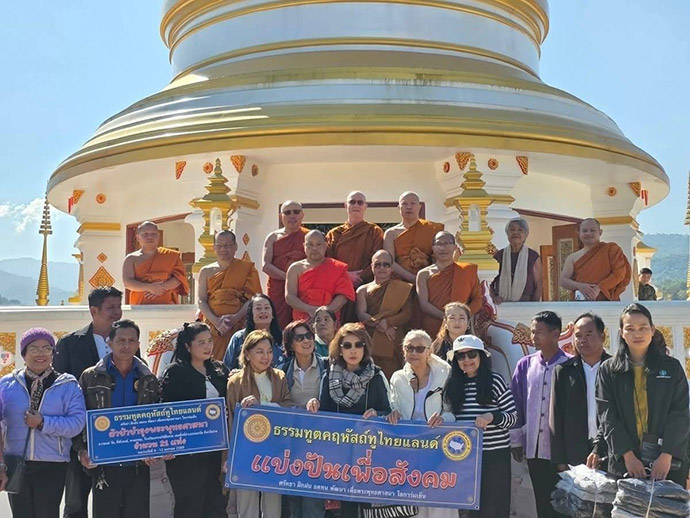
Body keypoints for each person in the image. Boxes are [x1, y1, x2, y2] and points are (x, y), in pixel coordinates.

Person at [76, 319, 162, 518]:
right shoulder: (91, 376)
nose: (126, 345)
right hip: (104, 464)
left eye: (131, 341)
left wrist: (156, 448)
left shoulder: (149, 379)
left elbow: (158, 418)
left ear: (138, 345)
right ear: (110, 343)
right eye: (121, 340)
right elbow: (78, 417)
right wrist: (82, 450)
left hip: (138, 464)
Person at [597, 303, 690, 485]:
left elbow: (680, 414)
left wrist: (667, 455)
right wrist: (628, 455)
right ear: (622, 333)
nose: (637, 334)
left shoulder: (671, 367)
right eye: (630, 329)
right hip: (625, 463)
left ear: (652, 330)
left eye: (643, 328)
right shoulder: (609, 370)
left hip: (667, 463)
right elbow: (607, 416)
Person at [0, 328, 86, 518]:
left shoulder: (67, 384)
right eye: (34, 349)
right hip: (16, 462)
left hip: (52, 464)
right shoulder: (6, 384)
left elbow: (77, 423)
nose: (41, 354)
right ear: (23, 354)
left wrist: (43, 423)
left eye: (47, 349)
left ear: (53, 353)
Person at [53, 286, 123, 518]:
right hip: (79, 433)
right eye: (110, 307)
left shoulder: (126, 339)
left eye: (119, 307)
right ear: (94, 310)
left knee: (114, 501)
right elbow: (59, 388)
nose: (116, 313)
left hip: (116, 433)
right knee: (76, 502)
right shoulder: (70, 343)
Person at [318, 323, 391, 518]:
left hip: (368, 453)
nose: (353, 350)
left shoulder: (376, 376)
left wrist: (377, 413)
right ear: (339, 349)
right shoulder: (328, 376)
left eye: (358, 345)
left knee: (368, 506)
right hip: (339, 453)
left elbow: (387, 411)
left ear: (365, 348)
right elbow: (323, 414)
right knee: (345, 509)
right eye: (347, 345)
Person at [159, 322, 229, 517]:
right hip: (186, 455)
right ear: (188, 346)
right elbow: (166, 411)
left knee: (216, 505)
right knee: (189, 506)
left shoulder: (220, 370)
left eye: (209, 341)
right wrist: (168, 443)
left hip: (215, 451)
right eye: (201, 343)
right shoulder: (175, 372)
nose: (208, 347)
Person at [385, 330, 456, 518]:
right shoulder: (397, 378)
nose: (414, 353)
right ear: (403, 350)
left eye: (419, 349)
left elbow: (453, 411)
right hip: (408, 448)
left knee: (439, 502)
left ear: (429, 351)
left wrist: (444, 419)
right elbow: (394, 406)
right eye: (409, 348)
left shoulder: (446, 374)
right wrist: (394, 413)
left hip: (438, 446)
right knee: (411, 503)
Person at [444, 335, 517, 518]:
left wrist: (492, 417)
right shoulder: (452, 385)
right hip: (465, 457)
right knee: (469, 509)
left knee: (494, 508)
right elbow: (449, 417)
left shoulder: (495, 381)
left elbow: (513, 418)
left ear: (481, 357)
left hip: (494, 456)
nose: (467, 360)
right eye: (461, 356)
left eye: (472, 354)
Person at [227, 330, 292, 517]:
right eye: (260, 352)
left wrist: (262, 406)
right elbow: (231, 419)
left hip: (274, 449)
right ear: (247, 354)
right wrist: (229, 457)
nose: (266, 357)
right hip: (246, 451)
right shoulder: (235, 381)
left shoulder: (279, 376)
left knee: (273, 504)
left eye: (269, 351)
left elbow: (288, 407)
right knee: (247, 504)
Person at [510, 311, 569, 518]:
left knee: (567, 503)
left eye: (539, 333)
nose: (533, 337)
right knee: (542, 502)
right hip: (534, 448)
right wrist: (516, 440)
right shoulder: (525, 365)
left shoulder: (570, 365)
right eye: (532, 332)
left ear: (555, 334)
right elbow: (516, 402)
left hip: (563, 449)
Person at [550, 313, 610, 472]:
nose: (583, 340)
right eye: (578, 336)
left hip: (610, 450)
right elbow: (556, 417)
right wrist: (560, 460)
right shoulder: (564, 372)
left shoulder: (615, 369)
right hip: (575, 452)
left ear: (602, 336)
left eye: (589, 334)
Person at [280, 321, 326, 518]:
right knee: (293, 500)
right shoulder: (282, 371)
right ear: (290, 344)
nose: (306, 341)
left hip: (321, 441)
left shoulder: (328, 366)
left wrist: (320, 403)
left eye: (309, 336)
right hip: (293, 441)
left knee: (313, 500)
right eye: (299, 338)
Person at [198, 230, 262, 360]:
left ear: (235, 247)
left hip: (240, 323)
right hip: (213, 325)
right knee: (213, 361)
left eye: (228, 245)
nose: (223, 249)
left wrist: (235, 318)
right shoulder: (205, 271)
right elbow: (201, 300)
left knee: (239, 359)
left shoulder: (246, 269)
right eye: (220, 246)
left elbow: (253, 299)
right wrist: (216, 322)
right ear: (214, 248)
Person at [326, 191, 384, 323]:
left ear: (365, 206)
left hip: (367, 286)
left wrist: (360, 276)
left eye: (360, 202)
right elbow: (329, 261)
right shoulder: (334, 234)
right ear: (345, 205)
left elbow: (377, 259)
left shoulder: (374, 231)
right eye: (352, 202)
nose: (356, 205)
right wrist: (346, 276)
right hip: (339, 287)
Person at [356, 249, 413, 378]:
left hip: (394, 337)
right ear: (372, 266)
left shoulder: (402, 288)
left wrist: (388, 322)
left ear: (391, 268)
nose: (382, 268)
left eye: (386, 264)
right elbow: (361, 314)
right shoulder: (362, 290)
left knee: (394, 376)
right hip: (371, 338)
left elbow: (407, 313)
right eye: (378, 264)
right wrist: (380, 325)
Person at [417, 231, 482, 337]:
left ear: (455, 247)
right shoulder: (424, 274)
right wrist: (446, 317)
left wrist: (460, 318)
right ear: (433, 248)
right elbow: (424, 304)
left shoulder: (467, 271)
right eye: (439, 244)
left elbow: (477, 300)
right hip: (433, 324)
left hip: (460, 325)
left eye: (447, 243)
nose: (443, 248)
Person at [285, 229, 355, 321]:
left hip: (329, 319)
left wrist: (325, 313)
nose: (314, 248)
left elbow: (343, 296)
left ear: (325, 245)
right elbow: (290, 296)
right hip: (303, 319)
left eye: (318, 244)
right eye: (310, 245)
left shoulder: (337, 267)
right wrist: (309, 309)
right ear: (304, 246)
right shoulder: (295, 268)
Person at [262, 200, 309, 328]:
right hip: (278, 289)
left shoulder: (308, 236)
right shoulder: (273, 237)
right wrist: (289, 278)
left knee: (302, 323)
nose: (292, 216)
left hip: (302, 288)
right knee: (277, 323)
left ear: (302, 215)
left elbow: (316, 262)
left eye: (296, 212)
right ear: (281, 216)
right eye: (287, 212)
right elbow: (266, 266)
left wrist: (296, 280)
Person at [559, 218, 631, 301]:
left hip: (607, 301)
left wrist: (599, 288)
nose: (588, 233)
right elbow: (563, 280)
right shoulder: (572, 257)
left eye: (592, 230)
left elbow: (619, 274)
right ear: (579, 233)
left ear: (600, 232)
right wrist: (579, 286)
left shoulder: (611, 249)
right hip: (581, 302)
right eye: (584, 231)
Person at [383, 191, 444, 283]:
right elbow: (390, 261)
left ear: (419, 207)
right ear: (399, 208)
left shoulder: (433, 228)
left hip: (429, 278)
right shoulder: (391, 233)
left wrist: (425, 276)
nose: (409, 207)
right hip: (399, 281)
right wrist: (412, 278)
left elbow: (439, 257)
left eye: (413, 203)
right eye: (405, 204)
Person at [123, 221, 190, 304]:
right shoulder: (131, 259)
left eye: (153, 234)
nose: (150, 237)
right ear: (137, 237)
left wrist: (161, 288)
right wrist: (149, 287)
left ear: (158, 236)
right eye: (145, 234)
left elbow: (179, 278)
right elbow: (127, 283)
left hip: (167, 304)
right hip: (140, 305)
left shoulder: (170, 255)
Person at [222, 294, 284, 371]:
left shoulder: (283, 338)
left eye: (267, 308)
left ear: (273, 314)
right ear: (251, 314)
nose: (263, 311)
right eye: (258, 308)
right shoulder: (239, 338)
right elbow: (227, 368)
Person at [490, 218, 542, 303]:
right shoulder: (499, 256)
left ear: (526, 235)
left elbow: (538, 285)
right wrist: (493, 297)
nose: (515, 233)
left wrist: (534, 306)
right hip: (502, 304)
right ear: (507, 233)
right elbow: (490, 282)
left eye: (520, 230)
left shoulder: (533, 257)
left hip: (526, 305)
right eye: (512, 229)